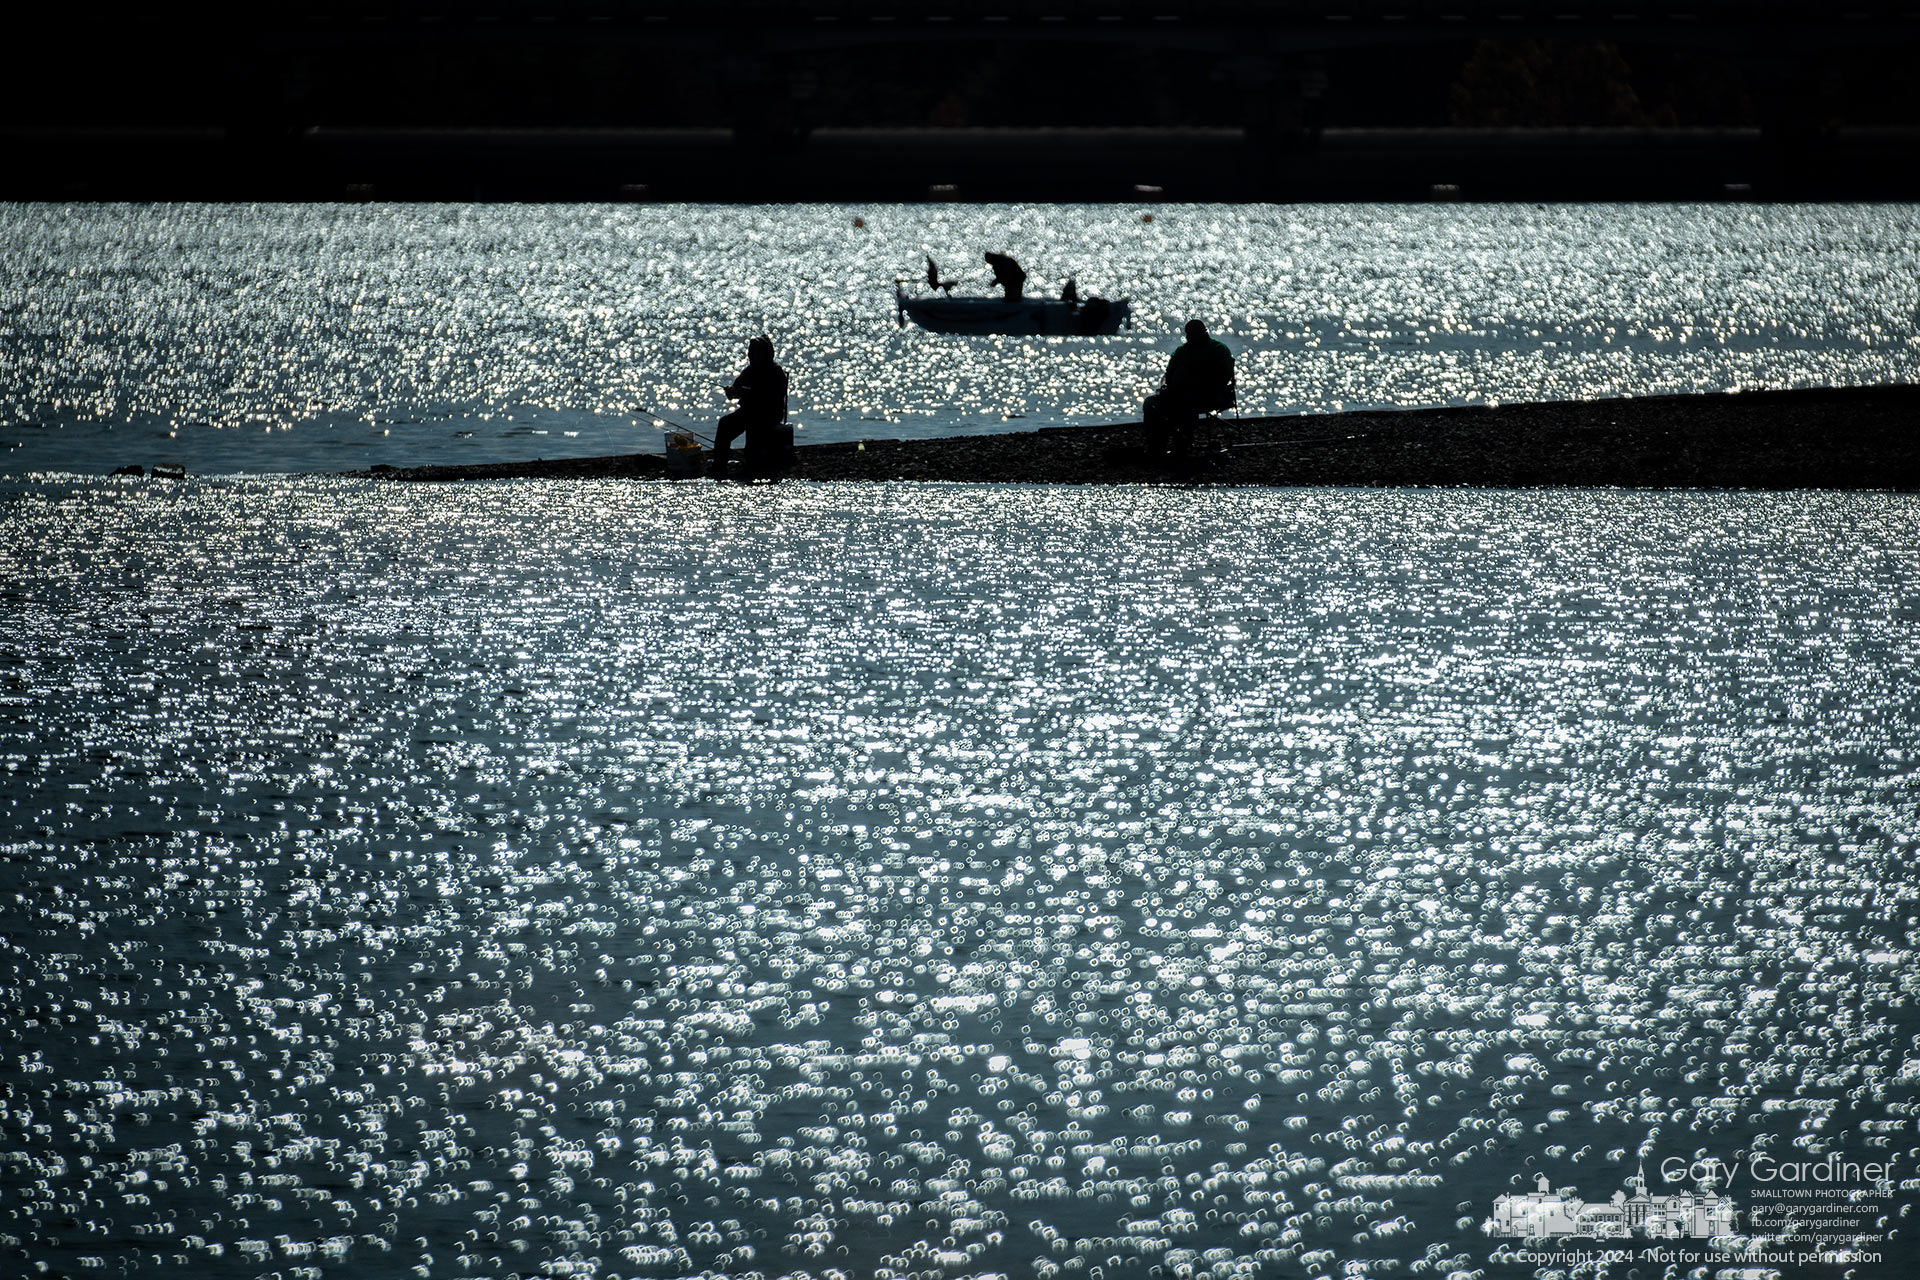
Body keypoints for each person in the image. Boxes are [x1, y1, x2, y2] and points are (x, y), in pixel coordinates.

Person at [1143, 319, 1234, 459]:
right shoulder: (1181, 351)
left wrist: (1197, 386)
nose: (1189, 338)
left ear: (1203, 333)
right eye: (1188, 335)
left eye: (1193, 335)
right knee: (1151, 403)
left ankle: (1181, 445)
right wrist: (1165, 386)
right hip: (1177, 393)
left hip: (1208, 395)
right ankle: (1156, 445)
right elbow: (1167, 375)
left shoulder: (1218, 349)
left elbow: (1224, 377)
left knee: (1184, 403)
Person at [712, 335, 789, 479]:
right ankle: (719, 466)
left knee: (754, 423)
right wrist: (731, 392)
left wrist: (747, 392)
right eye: (750, 352)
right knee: (725, 424)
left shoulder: (775, 371)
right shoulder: (749, 370)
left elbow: (770, 396)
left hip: (769, 413)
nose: (750, 356)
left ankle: (752, 465)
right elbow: (736, 389)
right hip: (748, 412)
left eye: (754, 352)